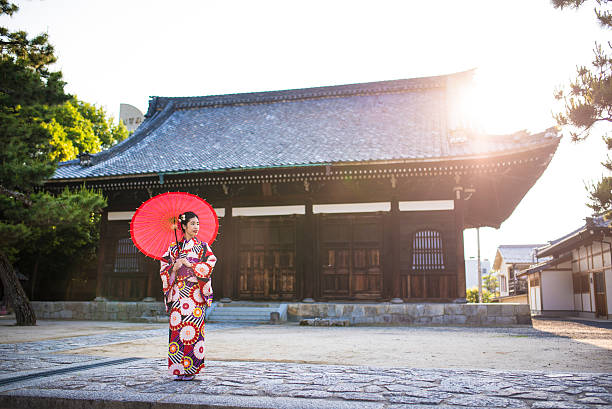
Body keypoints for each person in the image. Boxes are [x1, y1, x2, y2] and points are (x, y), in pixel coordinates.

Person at [159, 211, 216, 381]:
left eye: (197, 224)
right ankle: (178, 369)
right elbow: (164, 269)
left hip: (195, 294)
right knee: (177, 332)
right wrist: (174, 267)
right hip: (178, 293)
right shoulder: (173, 248)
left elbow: (210, 264)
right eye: (192, 224)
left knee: (193, 331)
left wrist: (190, 264)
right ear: (183, 226)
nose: (196, 227)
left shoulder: (203, 246)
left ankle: (191, 369)